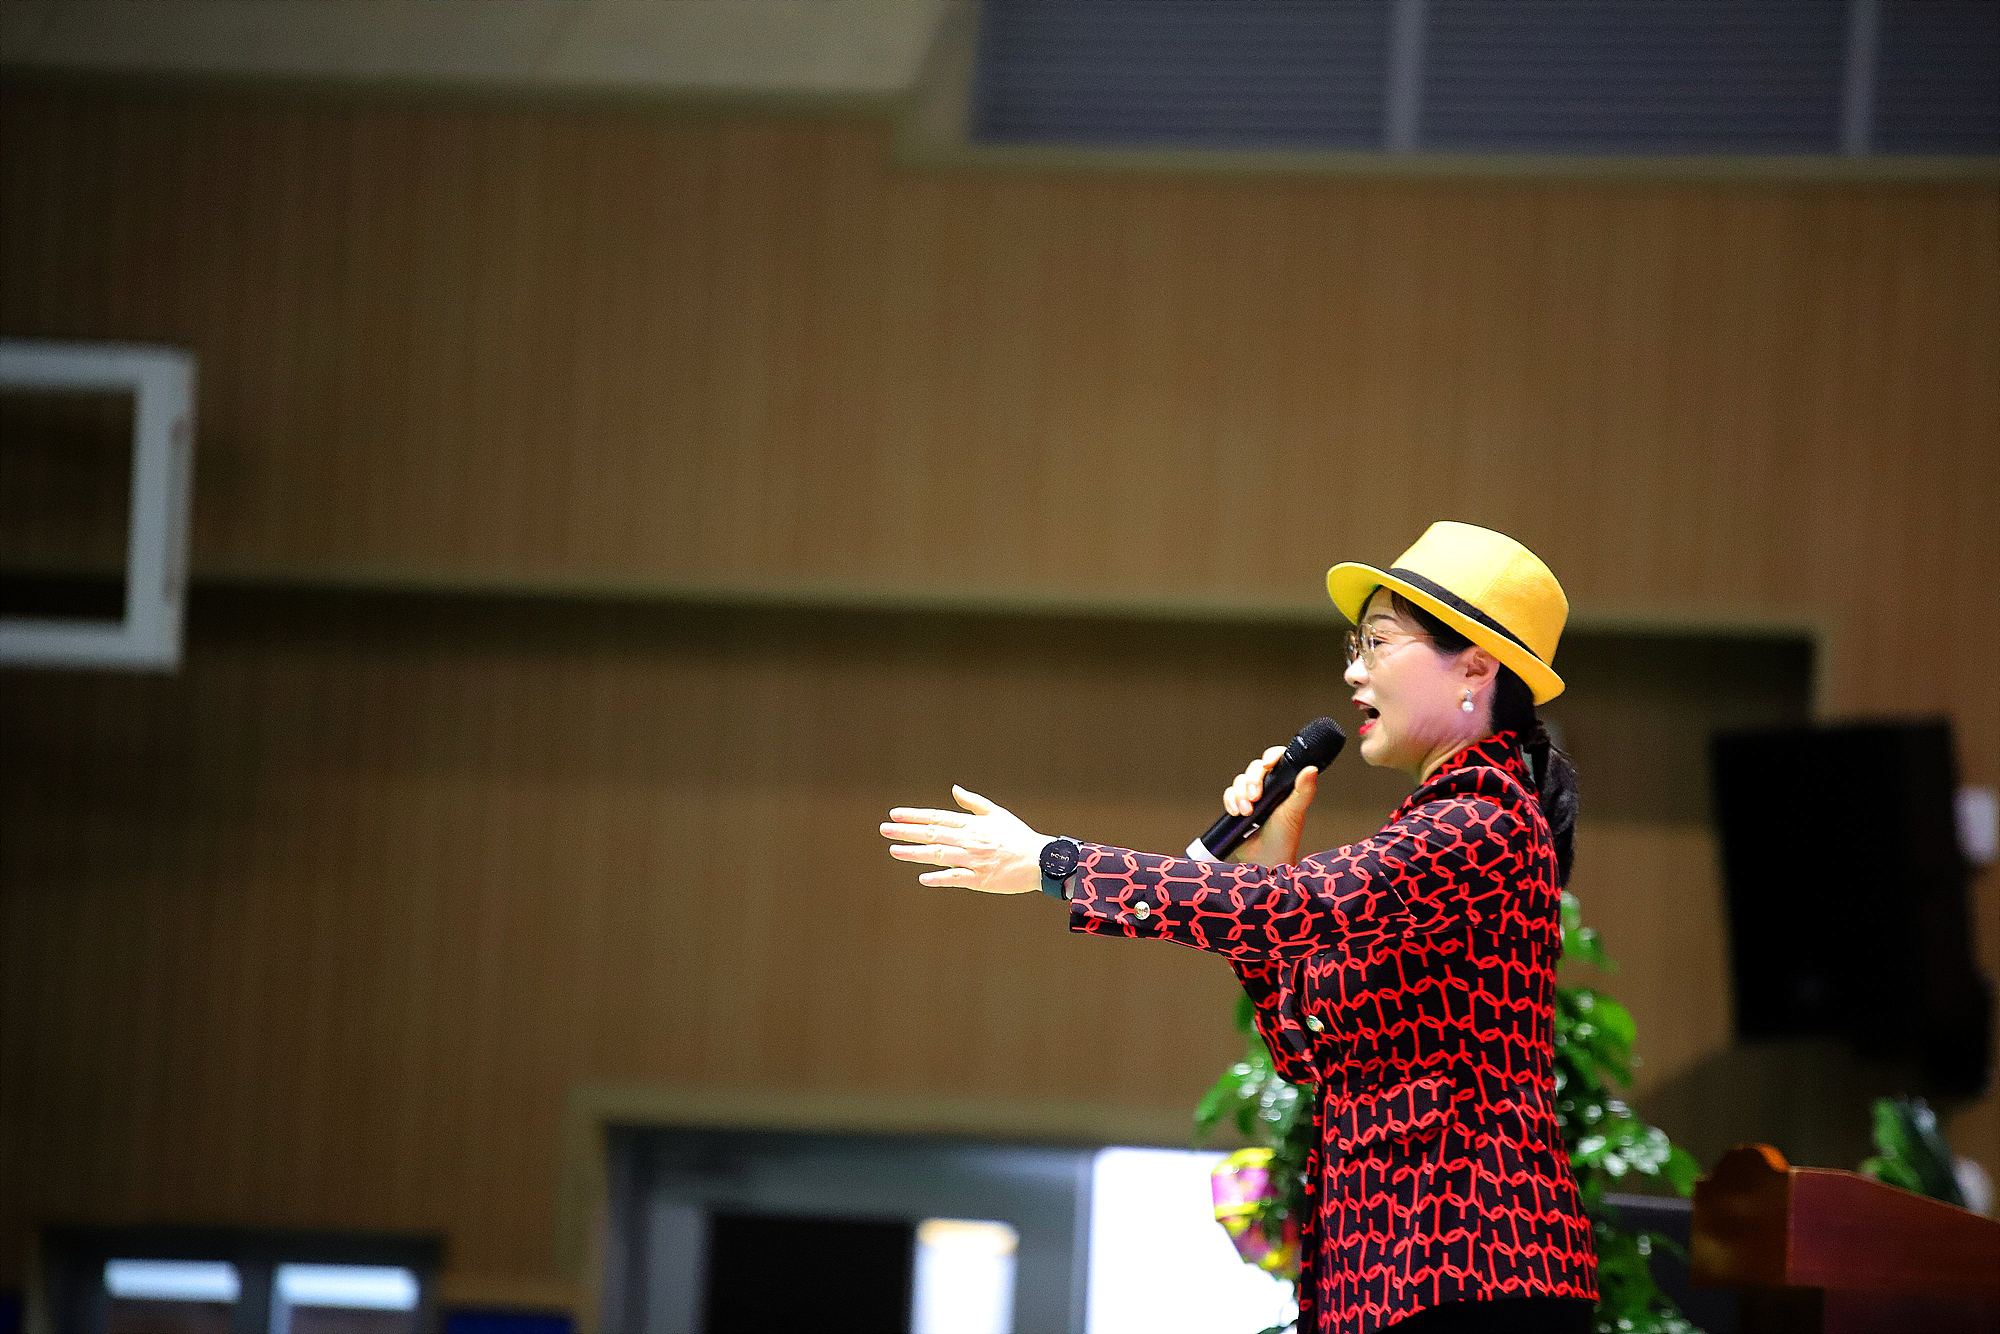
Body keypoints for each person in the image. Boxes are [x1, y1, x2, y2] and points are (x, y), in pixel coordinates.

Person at [881, 522, 1598, 1334]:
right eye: (1354, 645)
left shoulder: (1482, 822)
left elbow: (1296, 908)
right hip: (1389, 1280)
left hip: (1475, 1270)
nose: (1353, 669)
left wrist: (1055, 862)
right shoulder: (1446, 824)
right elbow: (1309, 1050)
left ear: (1473, 667)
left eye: (1377, 642)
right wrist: (1263, 866)